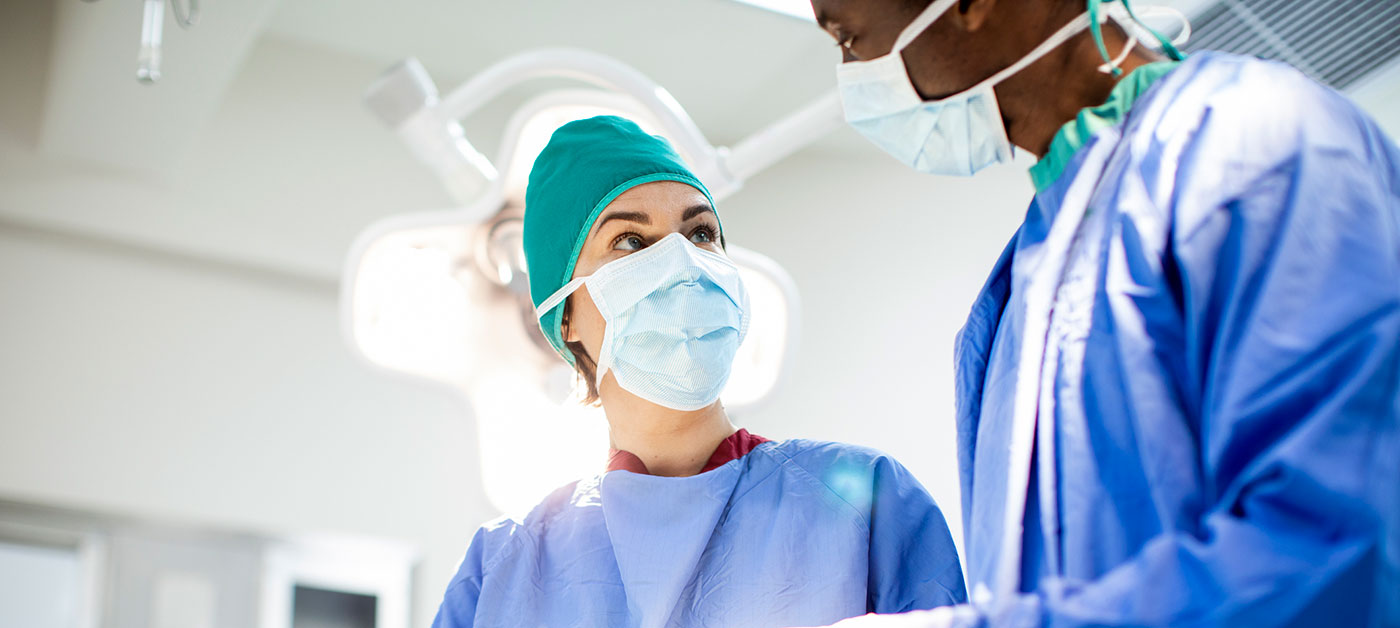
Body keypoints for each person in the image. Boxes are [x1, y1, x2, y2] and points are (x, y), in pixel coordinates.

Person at [801, 0, 1400, 625]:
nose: (853, 73)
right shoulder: (1021, 282)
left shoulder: (1258, 146)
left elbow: (1338, 552)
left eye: (849, 36)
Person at [430, 115, 968, 628]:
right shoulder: (502, 570)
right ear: (564, 312)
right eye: (631, 241)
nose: (682, 264)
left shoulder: (866, 507)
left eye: (702, 234)